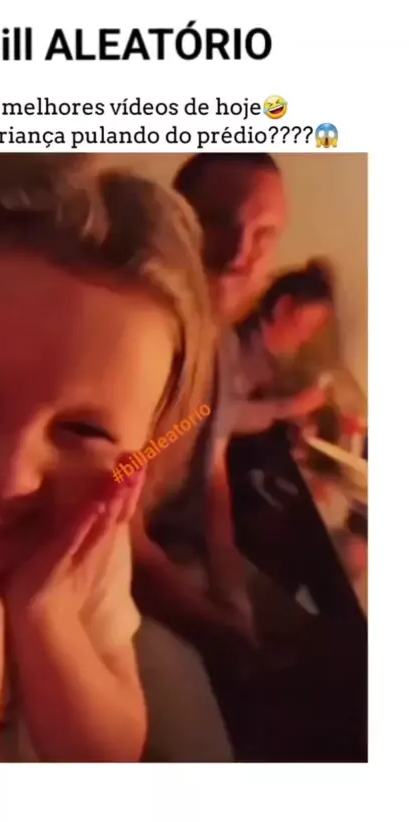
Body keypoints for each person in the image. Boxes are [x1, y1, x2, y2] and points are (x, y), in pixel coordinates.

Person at [0, 154, 218, 763]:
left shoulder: (81, 545)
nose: (10, 478)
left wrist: (45, 612)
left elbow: (106, 757)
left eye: (84, 430)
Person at [131, 153, 288, 672]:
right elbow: (111, 526)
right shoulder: (140, 336)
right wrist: (222, 634)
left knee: (332, 651)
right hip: (122, 581)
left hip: (185, 561)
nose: (240, 254)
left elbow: (215, 471)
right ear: (178, 219)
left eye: (264, 235)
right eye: (219, 222)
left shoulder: (221, 343)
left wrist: (231, 590)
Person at [234, 259, 334, 435]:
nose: (307, 338)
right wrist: (289, 408)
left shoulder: (271, 363)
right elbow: (216, 414)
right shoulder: (236, 347)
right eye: (309, 326)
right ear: (282, 307)